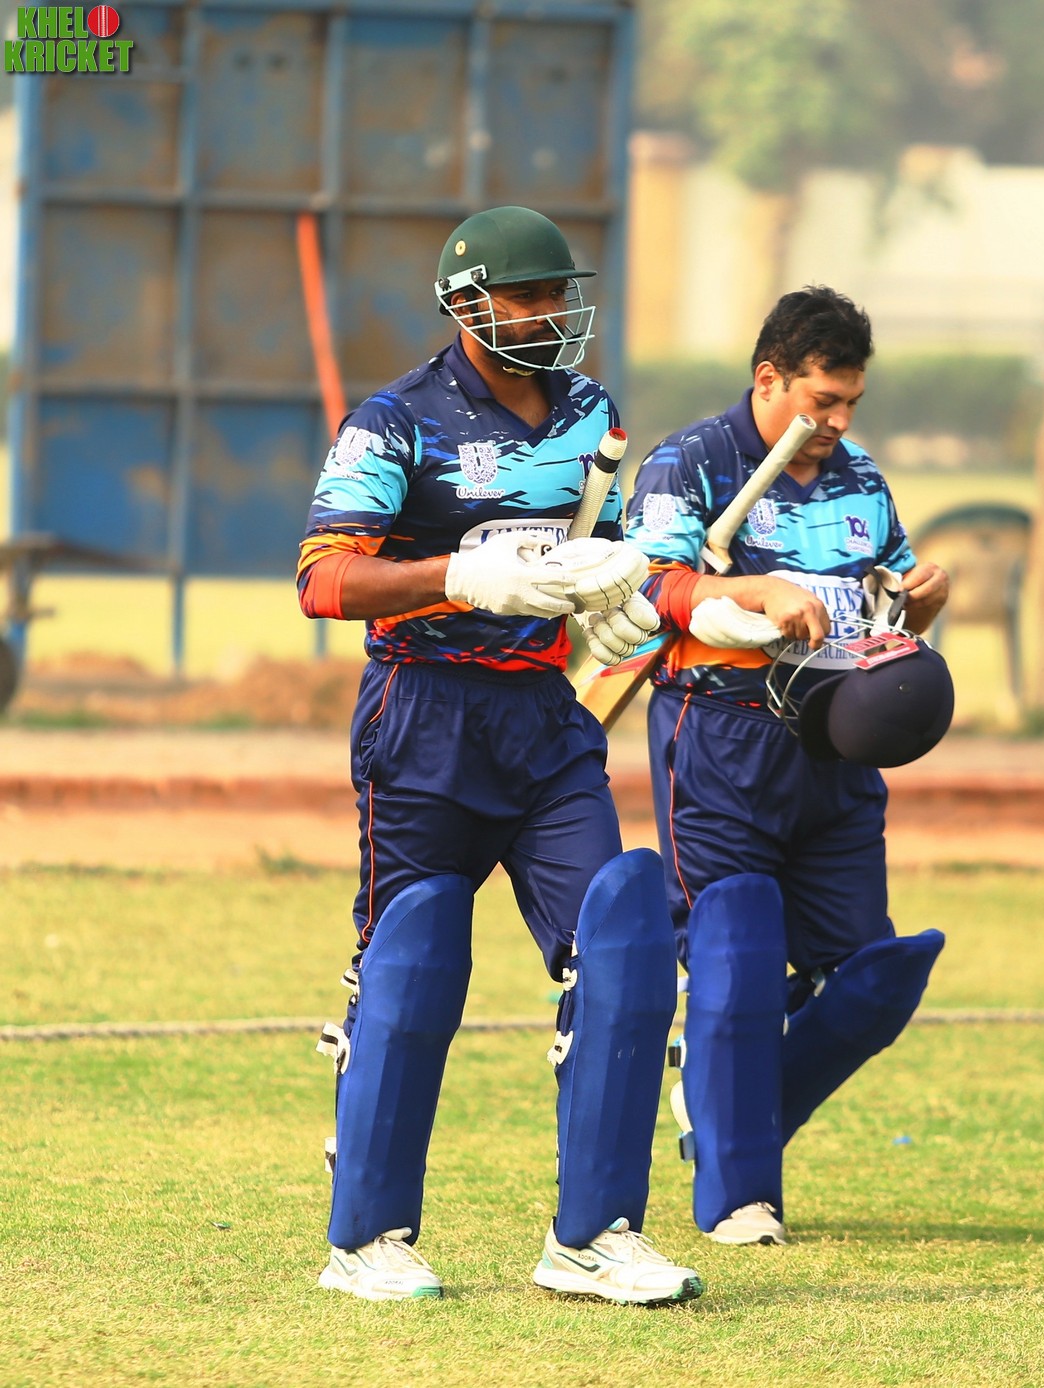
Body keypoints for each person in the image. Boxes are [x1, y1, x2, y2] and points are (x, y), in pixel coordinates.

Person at [296, 205, 703, 1305]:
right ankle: (367, 1238)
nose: (550, 313)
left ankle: (595, 1234)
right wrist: (453, 576)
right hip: (422, 712)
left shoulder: (590, 412)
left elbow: (592, 553)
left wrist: (616, 598)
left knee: (621, 943)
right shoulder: (396, 422)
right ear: (467, 304)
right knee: (412, 959)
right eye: (527, 296)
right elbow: (323, 578)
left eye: (558, 294)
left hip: (544, 718)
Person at [623, 285, 952, 1247]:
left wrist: (919, 603)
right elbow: (649, 586)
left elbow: (887, 593)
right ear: (769, 380)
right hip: (723, 740)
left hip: (839, 749)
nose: (839, 422)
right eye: (823, 401)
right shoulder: (688, 462)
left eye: (852, 403)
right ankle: (739, 1196)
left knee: (873, 976)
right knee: (736, 965)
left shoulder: (860, 476)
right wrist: (757, 590)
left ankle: (727, 1105)